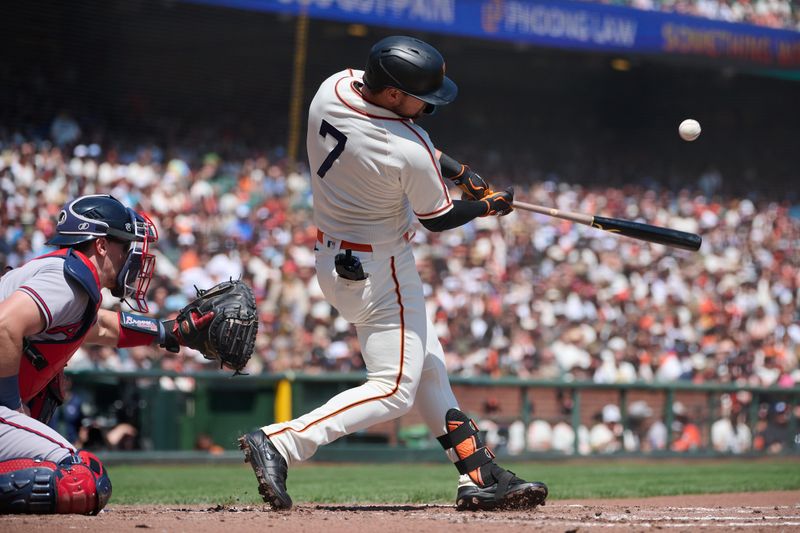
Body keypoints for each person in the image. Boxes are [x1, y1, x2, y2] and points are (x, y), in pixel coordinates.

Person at [239, 35, 547, 512]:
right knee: (394, 389)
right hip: (382, 268)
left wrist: (456, 169)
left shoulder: (333, 87)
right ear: (394, 94)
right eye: (420, 98)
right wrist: (484, 207)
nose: (428, 107)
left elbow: (415, 145)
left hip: (334, 260)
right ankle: (283, 441)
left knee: (426, 363)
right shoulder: (407, 147)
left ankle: (479, 474)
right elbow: (438, 218)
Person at [0, 194, 203, 514]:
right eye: (124, 245)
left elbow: (102, 327)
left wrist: (167, 332)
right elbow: (4, 325)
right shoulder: (65, 280)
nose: (131, 255)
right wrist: (11, 406)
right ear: (102, 245)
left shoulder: (65, 275)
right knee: (79, 478)